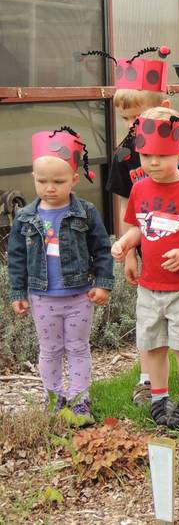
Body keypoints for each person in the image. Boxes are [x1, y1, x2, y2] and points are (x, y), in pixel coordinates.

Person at [96, 46, 179, 406]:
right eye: (126, 118)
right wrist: (128, 249)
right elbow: (129, 206)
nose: (133, 126)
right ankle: (150, 384)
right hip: (151, 251)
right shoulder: (126, 154)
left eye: (138, 115)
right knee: (152, 328)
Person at [111, 109, 179, 430]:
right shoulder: (140, 189)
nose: (153, 162)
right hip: (150, 286)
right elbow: (138, 227)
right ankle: (158, 397)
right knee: (153, 343)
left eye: (162, 155)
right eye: (146, 155)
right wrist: (126, 243)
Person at [7, 128, 113, 427]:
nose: (50, 188)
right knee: (50, 349)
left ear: (74, 180)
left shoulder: (85, 212)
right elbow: (16, 258)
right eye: (42, 181)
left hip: (80, 296)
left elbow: (102, 249)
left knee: (78, 347)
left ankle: (80, 400)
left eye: (58, 181)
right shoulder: (26, 218)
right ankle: (54, 398)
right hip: (43, 298)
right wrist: (18, 293)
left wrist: (103, 284)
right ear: (33, 177)